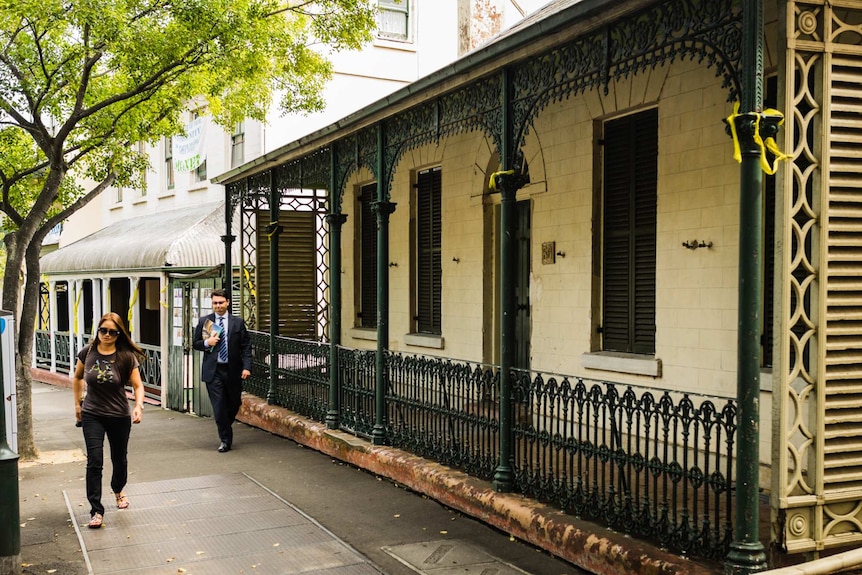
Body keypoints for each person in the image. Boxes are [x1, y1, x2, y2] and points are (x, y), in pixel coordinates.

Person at [72, 312, 145, 529]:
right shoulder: (88, 352)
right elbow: (77, 377)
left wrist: (138, 406)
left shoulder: (125, 357)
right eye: (103, 330)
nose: (106, 335)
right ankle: (96, 510)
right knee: (94, 461)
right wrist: (77, 404)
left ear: (119, 334)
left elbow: (138, 386)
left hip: (119, 415)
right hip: (92, 414)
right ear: (98, 330)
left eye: (112, 332)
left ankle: (118, 488)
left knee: (119, 458)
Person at [192, 288, 252, 453]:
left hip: (232, 370)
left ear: (227, 303)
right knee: (219, 407)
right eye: (214, 303)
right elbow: (195, 343)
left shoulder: (237, 322)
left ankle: (225, 425)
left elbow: (245, 346)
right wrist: (207, 343)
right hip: (214, 371)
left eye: (220, 302)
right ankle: (225, 440)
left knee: (234, 404)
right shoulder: (206, 321)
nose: (217, 306)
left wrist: (247, 367)